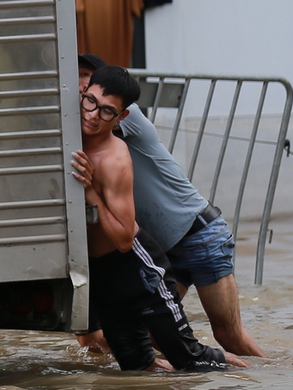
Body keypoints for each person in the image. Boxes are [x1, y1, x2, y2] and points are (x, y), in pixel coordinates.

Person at [74, 53, 265, 358]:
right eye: (76, 75)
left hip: (198, 235)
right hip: (161, 249)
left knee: (230, 336)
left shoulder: (122, 116)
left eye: (86, 75)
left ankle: (275, 386)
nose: (79, 82)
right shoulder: (88, 114)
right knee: (161, 337)